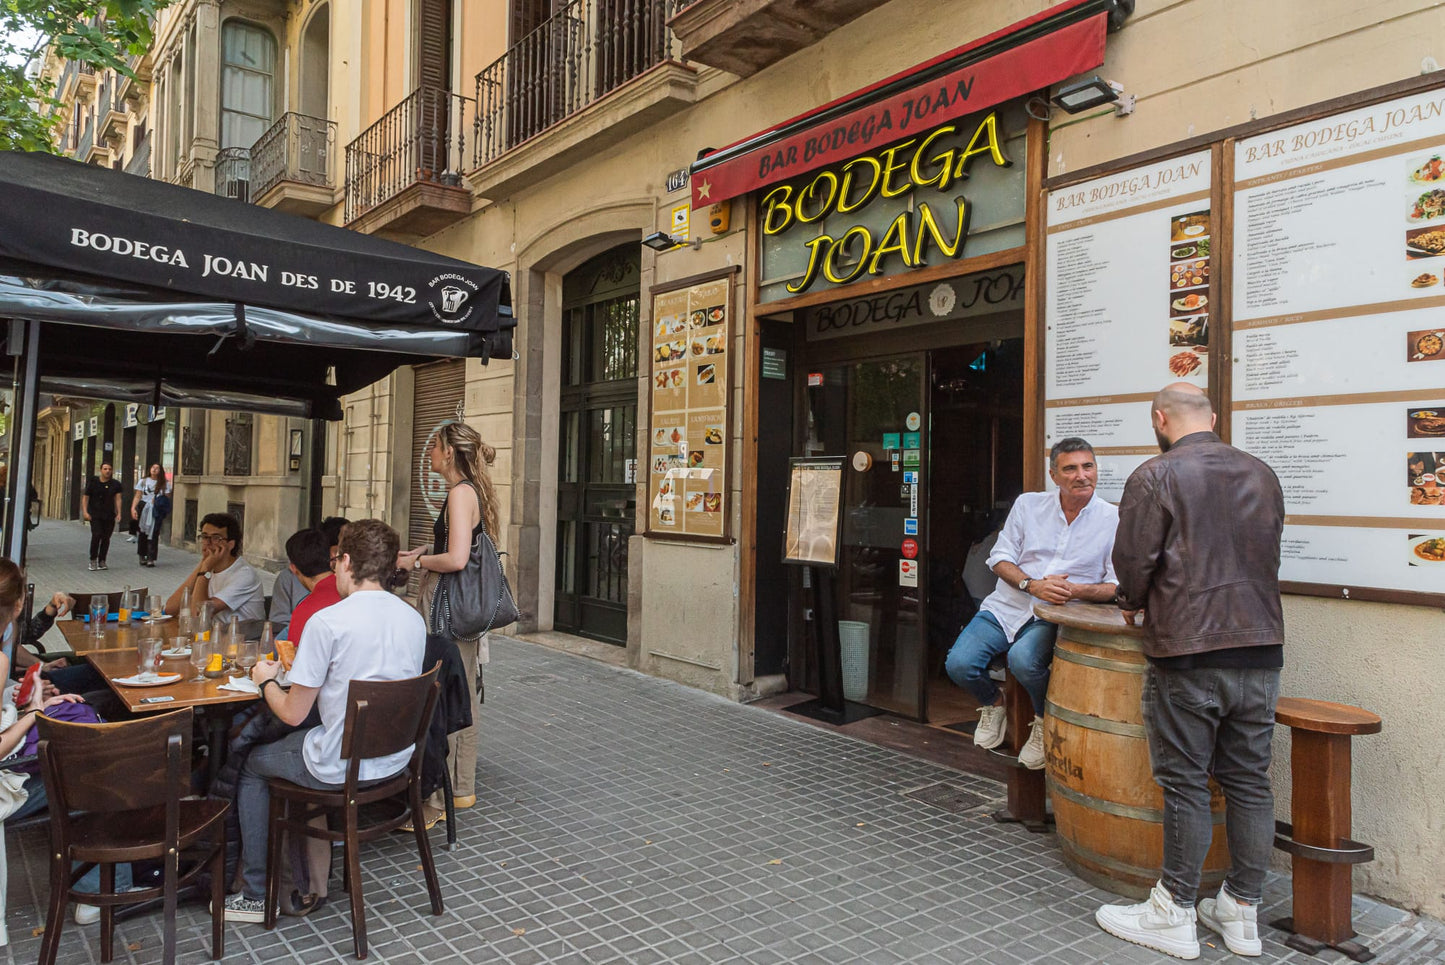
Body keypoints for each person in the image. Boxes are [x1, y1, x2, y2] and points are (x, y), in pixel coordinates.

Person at [1095, 383, 1285, 961]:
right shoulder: (1262, 473)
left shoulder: (1155, 475)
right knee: (1250, 780)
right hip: (1260, 645)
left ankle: (1173, 910)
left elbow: (1133, 559)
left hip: (1188, 647)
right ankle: (1242, 910)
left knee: (1184, 781)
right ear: (1214, 417)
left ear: (1159, 419)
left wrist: (1131, 597)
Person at [225, 518, 425, 922]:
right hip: (396, 761)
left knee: (251, 765)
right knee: (306, 738)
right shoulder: (412, 618)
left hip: (340, 765)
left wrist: (265, 681)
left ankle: (254, 892)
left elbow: (293, 711)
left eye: (336, 561)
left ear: (346, 560)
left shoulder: (327, 622)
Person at [943, 438, 1119, 769]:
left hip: (1056, 613)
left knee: (1023, 660)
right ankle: (994, 703)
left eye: (1088, 466)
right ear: (1054, 475)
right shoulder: (1028, 505)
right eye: (1070, 468)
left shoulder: (1113, 518)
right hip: (1008, 605)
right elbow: (999, 558)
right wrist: (1032, 584)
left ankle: (1043, 719)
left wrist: (1072, 590)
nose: (1081, 475)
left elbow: (1114, 586)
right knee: (959, 664)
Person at [397, 422, 498, 825]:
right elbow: (459, 546)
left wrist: (415, 562)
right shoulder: (469, 490)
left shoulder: (460, 494)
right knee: (462, 691)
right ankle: (461, 788)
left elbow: (456, 559)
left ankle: (439, 801)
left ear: (449, 453)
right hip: (460, 609)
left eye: (435, 447)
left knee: (446, 696)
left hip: (449, 609)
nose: (429, 454)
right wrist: (425, 549)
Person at [163, 512, 265, 622]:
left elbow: (198, 614)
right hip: (212, 634)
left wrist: (205, 569)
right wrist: (203, 564)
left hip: (242, 636)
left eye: (216, 538)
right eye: (204, 536)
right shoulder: (208, 568)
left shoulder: (245, 575)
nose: (208, 542)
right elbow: (170, 609)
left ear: (231, 544)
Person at [269, 516, 348, 639]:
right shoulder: (352, 590)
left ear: (294, 568)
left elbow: (291, 653)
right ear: (332, 556)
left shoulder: (305, 609)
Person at [80, 463, 124, 571]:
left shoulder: (116, 484)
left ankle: (102, 560)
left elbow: (118, 499)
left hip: (108, 515)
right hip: (94, 514)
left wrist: (119, 512)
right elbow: (85, 498)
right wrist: (85, 512)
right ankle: (93, 559)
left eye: (109, 469)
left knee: (106, 538)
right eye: (105, 469)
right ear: (100, 470)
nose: (107, 471)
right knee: (96, 535)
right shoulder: (93, 482)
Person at [130, 463, 168, 567]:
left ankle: (151, 557)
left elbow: (167, 497)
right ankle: (142, 555)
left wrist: (159, 501)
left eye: (157, 468)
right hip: (143, 508)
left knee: (154, 532)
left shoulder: (164, 483)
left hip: (156, 509)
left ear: (160, 471)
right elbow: (138, 496)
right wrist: (133, 508)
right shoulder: (143, 481)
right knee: (142, 532)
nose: (155, 470)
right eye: (153, 467)